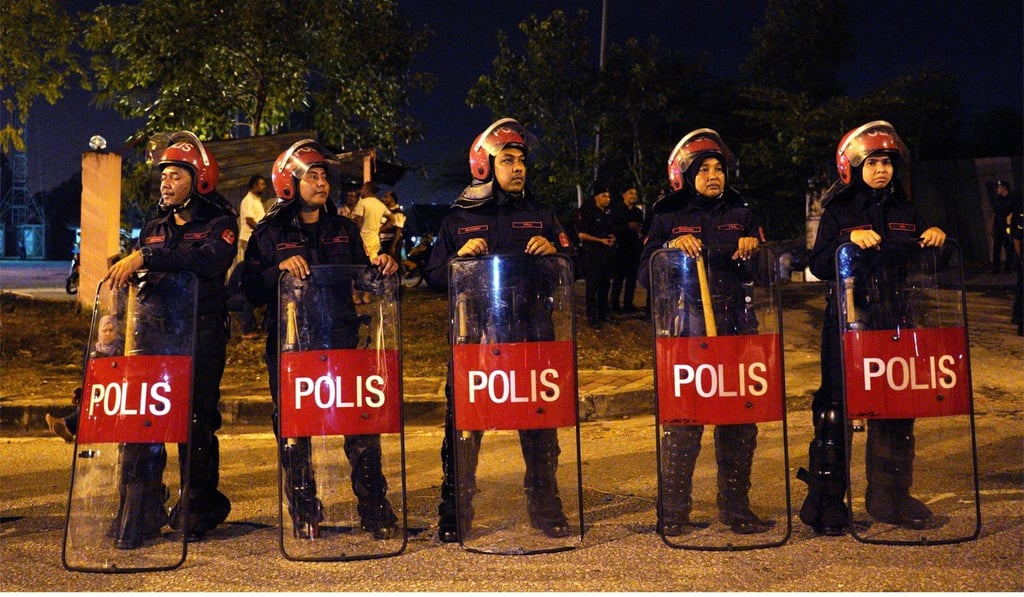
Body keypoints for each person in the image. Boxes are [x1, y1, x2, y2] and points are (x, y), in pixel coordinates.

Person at [423, 117, 573, 542]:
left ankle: (546, 508)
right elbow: (433, 278)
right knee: (463, 431)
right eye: (507, 160)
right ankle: (455, 512)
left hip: (533, 339)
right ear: (484, 165)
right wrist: (459, 260)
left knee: (541, 430)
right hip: (477, 344)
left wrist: (555, 254)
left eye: (521, 160)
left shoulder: (542, 214)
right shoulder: (458, 219)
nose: (518, 167)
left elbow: (572, 264)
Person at [241, 140, 400, 540]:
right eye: (312, 176)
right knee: (295, 433)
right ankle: (305, 511)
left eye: (324, 175)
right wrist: (277, 268)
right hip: (292, 347)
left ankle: (375, 508)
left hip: (342, 343)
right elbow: (244, 290)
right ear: (290, 181)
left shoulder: (344, 229)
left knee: (360, 428)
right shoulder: (269, 232)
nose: (322, 182)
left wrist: (381, 267)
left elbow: (364, 278)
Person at [798, 120, 946, 535]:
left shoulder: (906, 210)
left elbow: (930, 263)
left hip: (895, 318)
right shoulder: (839, 212)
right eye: (873, 162)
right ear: (853, 165)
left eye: (887, 162)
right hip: (847, 320)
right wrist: (848, 243)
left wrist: (934, 238)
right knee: (835, 407)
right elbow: (817, 263)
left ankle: (891, 495)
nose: (882, 169)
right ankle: (826, 500)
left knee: (897, 405)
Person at [105, 131, 237, 547]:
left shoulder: (220, 222)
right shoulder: (154, 226)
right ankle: (141, 508)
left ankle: (196, 508)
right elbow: (145, 275)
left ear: (199, 180)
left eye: (176, 175)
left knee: (196, 422)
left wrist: (148, 256)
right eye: (164, 175)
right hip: (154, 336)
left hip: (200, 333)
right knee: (145, 423)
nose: (166, 182)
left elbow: (208, 261)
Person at [637, 128, 770, 535]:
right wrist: (668, 251)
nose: (714, 175)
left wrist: (755, 250)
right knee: (685, 420)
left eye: (719, 169)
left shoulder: (742, 215)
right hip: (687, 329)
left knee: (740, 419)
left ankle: (736, 508)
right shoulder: (667, 218)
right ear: (686, 174)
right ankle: (673, 512)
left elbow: (766, 274)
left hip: (738, 328)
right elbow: (644, 276)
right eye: (705, 169)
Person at [45, 315, 124, 442]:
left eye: (111, 330)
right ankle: (65, 425)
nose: (108, 334)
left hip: (115, 390)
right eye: (105, 330)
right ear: (99, 331)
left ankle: (66, 425)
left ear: (117, 331)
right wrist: (82, 389)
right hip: (97, 389)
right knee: (87, 398)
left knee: (92, 401)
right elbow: (86, 374)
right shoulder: (91, 349)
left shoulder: (122, 349)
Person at [576, 184, 616, 329]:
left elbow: (611, 230)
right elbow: (581, 234)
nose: (608, 199)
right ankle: (592, 316)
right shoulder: (587, 212)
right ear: (596, 197)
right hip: (592, 254)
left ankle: (604, 313)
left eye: (609, 196)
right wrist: (600, 241)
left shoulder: (607, 213)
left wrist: (612, 238)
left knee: (605, 285)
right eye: (604, 196)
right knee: (592, 286)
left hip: (606, 254)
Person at [237, 175, 267, 338]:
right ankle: (247, 325)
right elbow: (249, 220)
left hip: (256, 241)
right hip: (249, 241)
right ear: (254, 185)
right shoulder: (248, 200)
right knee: (249, 278)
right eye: (261, 184)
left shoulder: (256, 200)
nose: (264, 187)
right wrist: (263, 231)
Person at [610, 187, 643, 313]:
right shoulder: (617, 210)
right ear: (624, 195)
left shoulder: (637, 212)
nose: (633, 196)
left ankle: (628, 303)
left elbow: (641, 228)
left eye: (635, 193)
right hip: (620, 248)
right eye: (630, 193)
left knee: (631, 278)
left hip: (633, 248)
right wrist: (627, 226)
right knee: (618, 278)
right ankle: (615, 304)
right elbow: (612, 227)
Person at [991, 180, 1017, 273]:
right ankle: (995, 268)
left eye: (999, 187)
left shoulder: (1011, 199)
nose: (998, 189)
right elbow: (994, 214)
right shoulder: (998, 199)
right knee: (996, 248)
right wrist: (992, 228)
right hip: (998, 227)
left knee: (1009, 247)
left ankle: (1008, 268)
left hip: (1008, 227)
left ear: (1004, 188)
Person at [378, 190, 406, 260]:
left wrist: (393, 246)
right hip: (383, 241)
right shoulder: (385, 211)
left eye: (386, 197)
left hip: (390, 242)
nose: (383, 199)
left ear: (392, 199)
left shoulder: (398, 213)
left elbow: (398, 230)